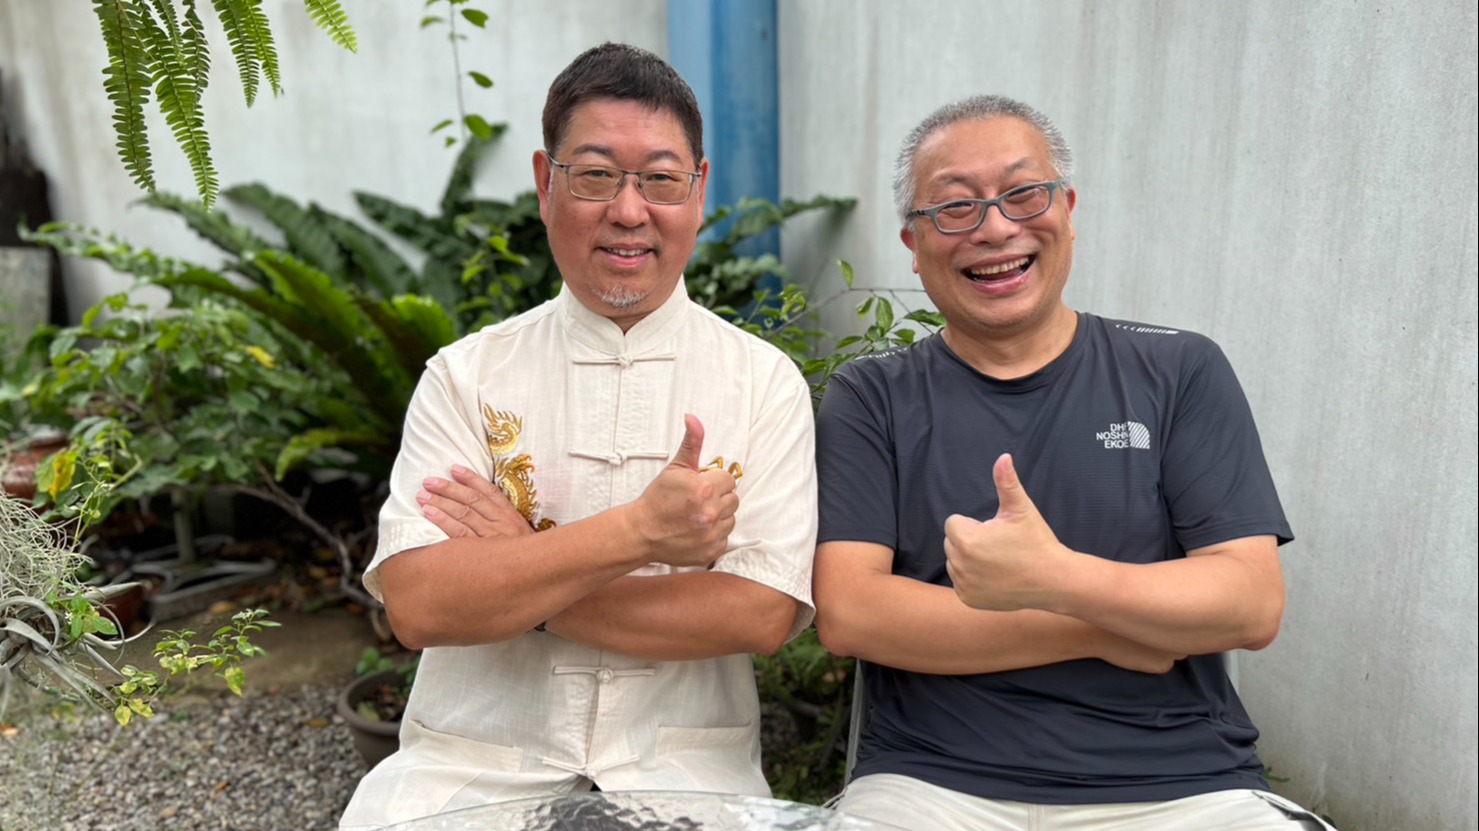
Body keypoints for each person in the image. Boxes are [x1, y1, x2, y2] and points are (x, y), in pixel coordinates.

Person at [813, 95, 1333, 830]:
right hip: (929, 784)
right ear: (914, 242)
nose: (996, 227)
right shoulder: (873, 396)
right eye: (955, 207)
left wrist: (1057, 577)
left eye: (1023, 193)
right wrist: (1102, 628)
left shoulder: (1178, 371)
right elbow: (850, 613)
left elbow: (1249, 602)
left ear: (1067, 207)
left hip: (1183, 784)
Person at [339, 43, 817, 830]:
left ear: (698, 191)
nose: (628, 211)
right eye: (595, 175)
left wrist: (520, 571)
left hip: (685, 775)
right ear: (545, 183)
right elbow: (420, 604)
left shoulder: (762, 382)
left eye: (660, 179)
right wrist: (640, 532)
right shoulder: (466, 377)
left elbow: (756, 614)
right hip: (471, 768)